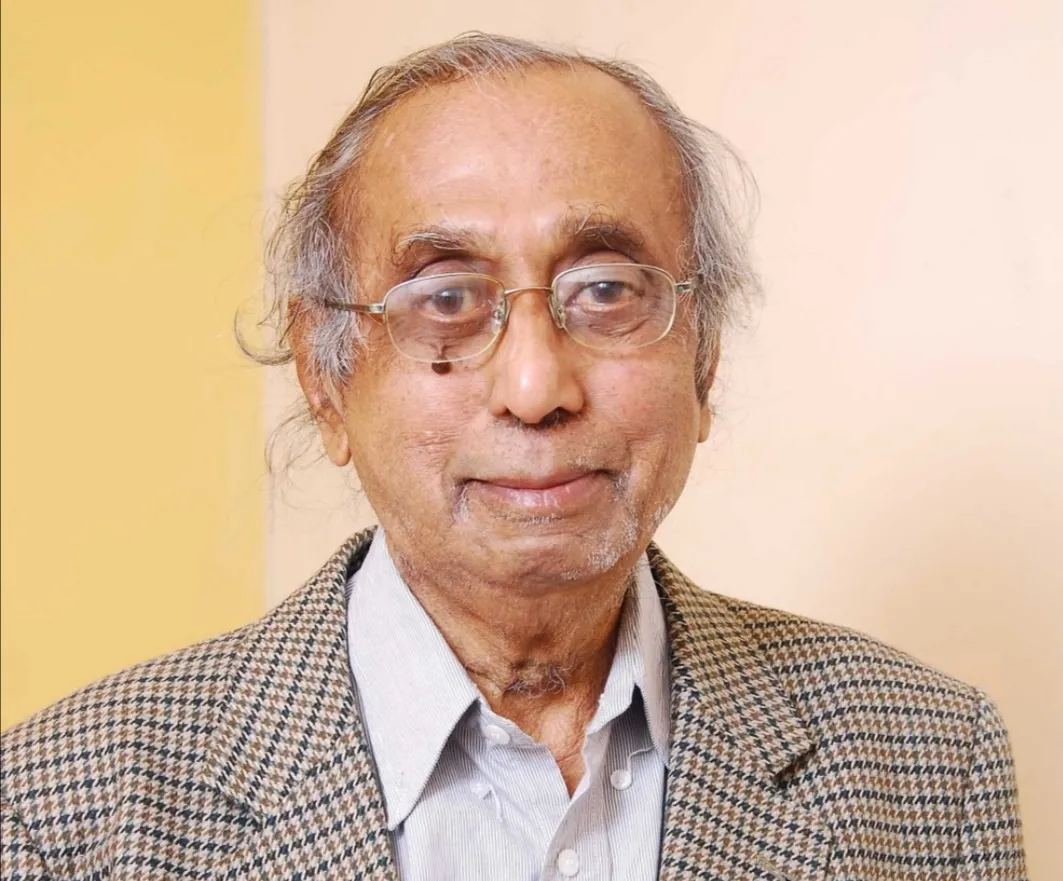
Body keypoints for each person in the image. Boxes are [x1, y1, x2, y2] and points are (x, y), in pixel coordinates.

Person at [1, 33, 1027, 881]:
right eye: (446, 297)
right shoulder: (60, 812)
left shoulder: (928, 762)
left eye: (607, 290)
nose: (535, 387)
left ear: (703, 358)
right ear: (325, 378)